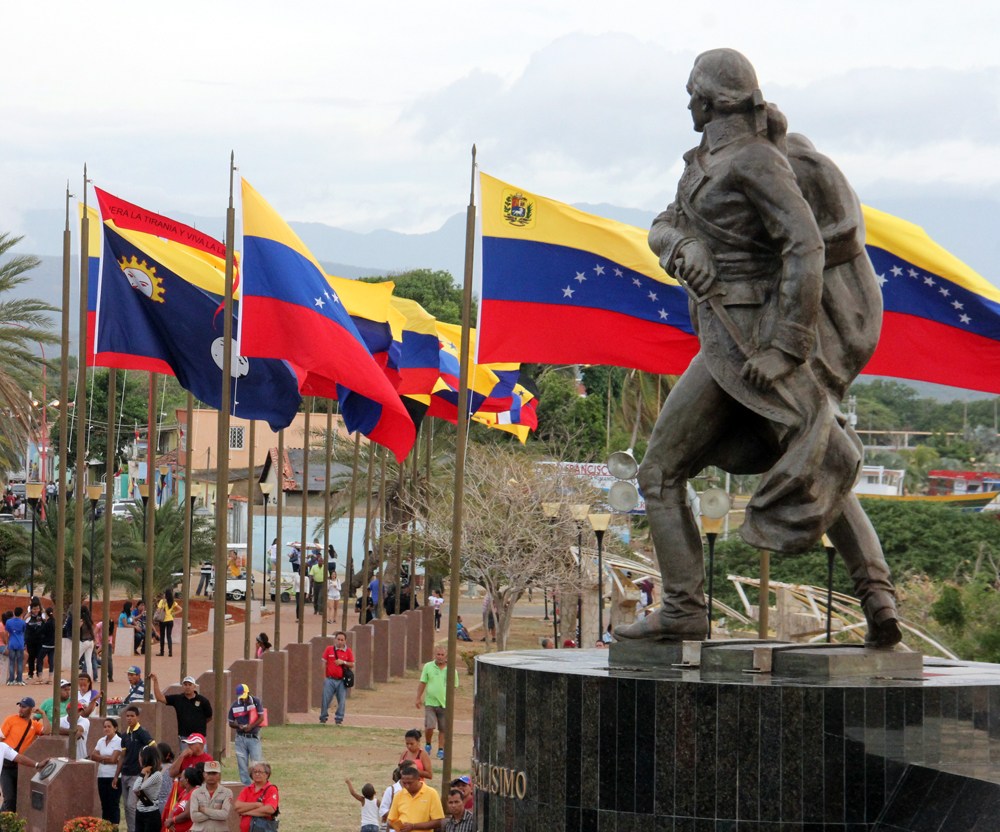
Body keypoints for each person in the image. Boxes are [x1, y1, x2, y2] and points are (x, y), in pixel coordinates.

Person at [615, 48, 899, 647]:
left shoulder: (756, 161)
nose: (687, 100)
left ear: (714, 100)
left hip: (747, 343)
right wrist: (679, 249)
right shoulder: (703, 162)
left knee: (662, 472)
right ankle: (878, 598)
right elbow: (664, 223)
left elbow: (806, 247)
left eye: (693, 90)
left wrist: (787, 348)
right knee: (819, 456)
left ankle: (686, 609)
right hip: (725, 335)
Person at [0, 696, 49, 811]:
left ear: (31, 709)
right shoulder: (11, 719)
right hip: (6, 764)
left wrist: (43, 714)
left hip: (19, 764)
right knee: (9, 798)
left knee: (17, 798)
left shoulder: (34, 725)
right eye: (20, 706)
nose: (21, 709)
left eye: (24, 707)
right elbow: (1, 739)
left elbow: (47, 731)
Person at [114, 704, 156, 832]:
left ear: (138, 717)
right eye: (127, 716)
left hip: (137, 775)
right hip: (125, 774)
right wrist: (116, 775)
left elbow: (153, 747)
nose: (129, 718)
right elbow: (122, 757)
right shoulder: (124, 735)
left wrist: (149, 766)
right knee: (126, 807)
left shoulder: (142, 733)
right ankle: (130, 828)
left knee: (131, 805)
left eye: (132, 716)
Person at [415, 647, 459, 761]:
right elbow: (423, 682)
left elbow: (454, 687)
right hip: (430, 702)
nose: (439, 656)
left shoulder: (451, 670)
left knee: (443, 728)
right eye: (438, 654)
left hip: (444, 704)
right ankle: (428, 743)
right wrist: (418, 697)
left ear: (446, 656)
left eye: (442, 654)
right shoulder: (428, 666)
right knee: (430, 726)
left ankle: (441, 749)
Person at [151, 673, 213, 747]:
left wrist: (199, 724)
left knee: (201, 758)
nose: (187, 687)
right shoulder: (178, 699)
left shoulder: (203, 701)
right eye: (185, 684)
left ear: (194, 687)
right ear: (182, 686)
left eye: (190, 685)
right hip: (184, 737)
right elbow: (160, 698)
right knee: (185, 757)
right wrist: (155, 681)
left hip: (199, 737)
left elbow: (209, 717)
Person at [227, 683, 264, 785]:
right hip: (240, 738)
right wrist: (238, 726)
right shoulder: (234, 705)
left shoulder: (256, 702)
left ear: (248, 693)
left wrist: (251, 726)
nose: (243, 700)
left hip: (253, 737)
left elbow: (261, 718)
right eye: (241, 698)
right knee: (242, 764)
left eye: (244, 697)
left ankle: (259, 785)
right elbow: (231, 722)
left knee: (256, 763)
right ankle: (246, 786)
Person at [387, 765, 444, 831]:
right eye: (404, 783)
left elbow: (438, 822)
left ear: (418, 779)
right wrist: (399, 827)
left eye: (410, 783)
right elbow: (390, 821)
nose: (407, 786)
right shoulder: (399, 795)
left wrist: (413, 826)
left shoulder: (431, 793)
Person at [92, 716, 123, 825]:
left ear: (115, 728)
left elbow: (114, 759)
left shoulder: (119, 741)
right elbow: (93, 756)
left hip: (114, 776)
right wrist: (106, 760)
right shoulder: (101, 740)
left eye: (109, 726)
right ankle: (106, 827)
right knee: (104, 804)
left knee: (113, 804)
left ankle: (114, 827)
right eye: (104, 727)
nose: (106, 729)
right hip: (101, 776)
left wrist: (101, 758)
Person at [319, 630, 354, 725]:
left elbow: (352, 664)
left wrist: (343, 662)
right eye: (338, 639)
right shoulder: (329, 649)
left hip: (341, 681)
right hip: (329, 679)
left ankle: (339, 719)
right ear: (335, 640)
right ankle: (323, 717)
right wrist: (324, 677)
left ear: (345, 641)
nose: (340, 641)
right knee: (325, 699)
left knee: (341, 701)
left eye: (342, 640)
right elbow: (323, 662)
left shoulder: (348, 651)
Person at [233, 760, 279, 832]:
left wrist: (246, 812)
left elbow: (270, 809)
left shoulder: (271, 789)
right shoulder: (247, 789)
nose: (257, 774)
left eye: (260, 772)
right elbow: (237, 807)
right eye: (255, 772)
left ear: (267, 774)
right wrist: (257, 805)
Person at [189, 759, 233, 832]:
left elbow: (224, 815)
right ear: (204, 774)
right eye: (209, 773)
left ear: (219, 775)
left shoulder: (227, 792)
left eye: (214, 773)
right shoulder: (196, 793)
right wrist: (216, 813)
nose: (211, 776)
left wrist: (204, 810)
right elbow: (194, 817)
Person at [132, 744, 163, 832]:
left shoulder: (157, 775)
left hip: (151, 814)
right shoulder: (145, 773)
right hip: (140, 811)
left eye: (140, 756)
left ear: (146, 757)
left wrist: (141, 774)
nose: (139, 759)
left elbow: (136, 789)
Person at [164, 765, 203, 832]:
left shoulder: (195, 792)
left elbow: (187, 814)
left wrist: (172, 820)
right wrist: (169, 822)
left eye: (181, 778)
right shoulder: (184, 792)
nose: (179, 780)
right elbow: (173, 809)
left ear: (186, 780)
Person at [157, 589, 182, 657]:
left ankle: (161, 652)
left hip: (163, 620)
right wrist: (173, 613)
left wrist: (162, 605)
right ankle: (170, 652)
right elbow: (181, 609)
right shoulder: (173, 602)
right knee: (169, 636)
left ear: (165, 594)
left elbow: (158, 611)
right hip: (170, 620)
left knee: (162, 636)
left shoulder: (162, 601)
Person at [24, 601, 44, 684]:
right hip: (31, 641)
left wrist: (43, 613)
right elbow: (23, 626)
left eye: (38, 609)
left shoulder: (42, 616)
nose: (36, 610)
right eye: (34, 609)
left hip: (40, 641)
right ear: (31, 609)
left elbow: (47, 622)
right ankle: (30, 673)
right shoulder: (28, 617)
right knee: (31, 657)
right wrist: (25, 617)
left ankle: (39, 673)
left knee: (39, 657)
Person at [5, 606, 25, 685]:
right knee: (19, 662)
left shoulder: (8, 622)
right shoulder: (22, 622)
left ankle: (11, 680)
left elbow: (7, 632)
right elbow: (23, 631)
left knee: (11, 662)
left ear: (14, 612)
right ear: (21, 614)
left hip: (12, 643)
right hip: (20, 643)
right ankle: (19, 679)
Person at [39, 606, 55, 684]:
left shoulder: (47, 623)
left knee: (39, 659)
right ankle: (50, 678)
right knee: (51, 660)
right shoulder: (54, 621)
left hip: (46, 644)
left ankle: (40, 678)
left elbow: (41, 632)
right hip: (53, 644)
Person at [79, 605, 97, 678]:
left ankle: (73, 677)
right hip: (91, 642)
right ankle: (90, 677)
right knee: (88, 661)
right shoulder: (89, 620)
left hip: (84, 641)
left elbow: (77, 628)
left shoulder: (81, 620)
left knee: (75, 659)